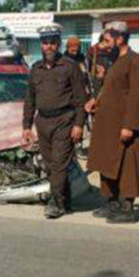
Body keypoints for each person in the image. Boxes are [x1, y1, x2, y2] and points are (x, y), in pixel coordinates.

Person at [23, 24, 88, 219]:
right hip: (43, 121)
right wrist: (26, 126)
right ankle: (65, 200)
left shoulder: (70, 67)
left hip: (64, 121)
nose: (48, 47)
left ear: (58, 44)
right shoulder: (36, 69)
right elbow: (30, 100)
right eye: (45, 43)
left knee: (59, 164)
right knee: (51, 165)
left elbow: (80, 99)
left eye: (52, 43)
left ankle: (56, 202)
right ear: (41, 45)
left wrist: (78, 124)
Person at [85, 21, 139, 224]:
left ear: (120, 39)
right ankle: (112, 204)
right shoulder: (115, 61)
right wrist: (96, 100)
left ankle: (127, 208)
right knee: (107, 163)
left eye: (108, 40)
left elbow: (136, 96)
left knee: (127, 166)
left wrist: (129, 125)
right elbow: (110, 89)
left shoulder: (134, 61)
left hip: (124, 126)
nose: (105, 44)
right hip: (107, 125)